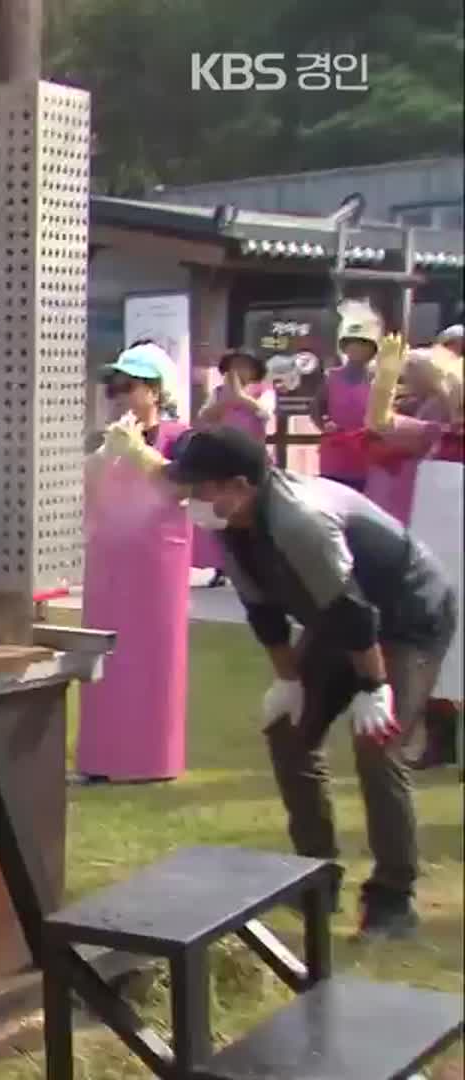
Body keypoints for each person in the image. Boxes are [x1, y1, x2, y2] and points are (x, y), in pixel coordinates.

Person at [168, 425, 456, 937]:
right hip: (342, 621)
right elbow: (263, 611)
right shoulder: (231, 523)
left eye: (198, 487)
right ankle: (314, 878)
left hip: (409, 616)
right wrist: (289, 682)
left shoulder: (301, 521)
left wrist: (374, 687)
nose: (189, 499)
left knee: (377, 745)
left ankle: (393, 897)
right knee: (288, 732)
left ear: (237, 485)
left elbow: (353, 610)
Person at [77, 342, 190, 783]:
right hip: (109, 557)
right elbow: (78, 483)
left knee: (152, 658)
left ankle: (151, 759)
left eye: (130, 386)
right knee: (105, 655)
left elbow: (182, 485)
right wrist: (106, 454)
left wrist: (140, 452)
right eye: (115, 388)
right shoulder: (102, 439)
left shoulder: (181, 437)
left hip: (158, 561)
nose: (120, 395)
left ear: (156, 391)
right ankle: (100, 758)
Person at [367, 337, 464, 770]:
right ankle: (440, 745)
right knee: (440, 651)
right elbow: (381, 424)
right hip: (439, 554)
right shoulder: (433, 435)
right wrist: (385, 378)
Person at [192, 348, 276, 585]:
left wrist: (241, 398)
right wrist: (226, 401)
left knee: (253, 515)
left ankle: (258, 566)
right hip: (223, 461)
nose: (238, 371)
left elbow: (265, 413)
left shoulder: (264, 391)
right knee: (222, 515)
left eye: (244, 366)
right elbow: (204, 416)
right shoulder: (218, 393)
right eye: (233, 366)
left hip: (253, 461)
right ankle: (222, 566)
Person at [310, 300, 381, 491]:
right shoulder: (330, 377)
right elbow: (316, 408)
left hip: (366, 454)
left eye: (363, 345)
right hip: (335, 451)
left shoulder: (379, 381)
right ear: (346, 348)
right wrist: (324, 425)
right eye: (353, 345)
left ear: (371, 351)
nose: (357, 349)